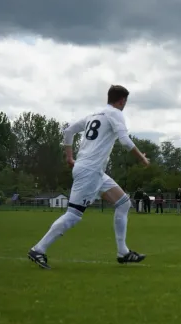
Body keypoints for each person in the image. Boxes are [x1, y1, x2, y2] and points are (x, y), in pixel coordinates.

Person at [27, 85, 150, 269]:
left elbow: (68, 131)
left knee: (123, 203)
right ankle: (38, 249)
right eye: (125, 101)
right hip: (90, 171)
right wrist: (142, 158)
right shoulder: (116, 114)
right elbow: (125, 140)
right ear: (122, 101)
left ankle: (123, 252)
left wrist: (69, 157)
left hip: (94, 171)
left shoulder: (93, 115)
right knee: (73, 215)